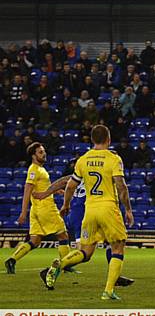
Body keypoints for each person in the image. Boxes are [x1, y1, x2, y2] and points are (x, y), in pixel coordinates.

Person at [43, 125, 134, 300]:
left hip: (90, 209)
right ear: (108, 139)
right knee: (118, 246)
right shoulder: (113, 159)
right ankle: (108, 291)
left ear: (92, 140)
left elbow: (70, 185)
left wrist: (66, 205)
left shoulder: (83, 160)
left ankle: (60, 265)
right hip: (108, 208)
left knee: (86, 251)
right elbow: (121, 187)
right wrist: (128, 210)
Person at [32, 176, 134, 287]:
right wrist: (128, 209)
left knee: (108, 244)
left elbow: (65, 181)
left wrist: (47, 193)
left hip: (80, 213)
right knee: (91, 250)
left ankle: (115, 277)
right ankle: (58, 266)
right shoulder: (104, 168)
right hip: (91, 212)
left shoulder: (84, 170)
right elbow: (121, 186)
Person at [4, 143, 71, 274]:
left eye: (44, 151)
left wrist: (56, 191)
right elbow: (27, 190)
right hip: (45, 208)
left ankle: (12, 260)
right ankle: (66, 265)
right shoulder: (34, 170)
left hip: (37, 209)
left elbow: (41, 188)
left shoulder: (40, 169)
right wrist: (23, 212)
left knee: (35, 240)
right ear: (33, 155)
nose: (44, 154)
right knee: (63, 235)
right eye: (40, 152)